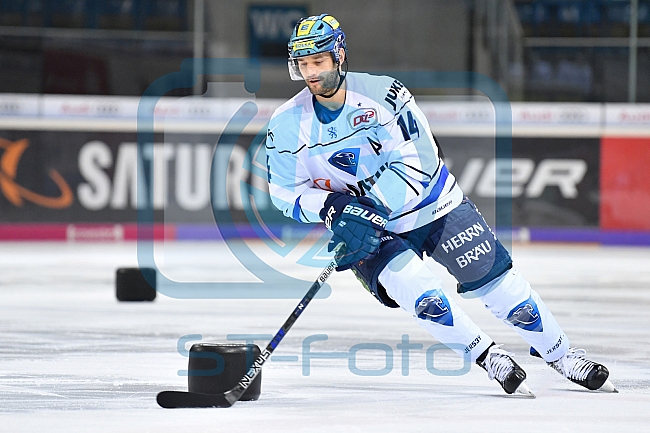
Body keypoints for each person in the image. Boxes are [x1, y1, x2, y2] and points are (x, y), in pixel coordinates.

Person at [265, 13, 616, 396]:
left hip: (434, 203)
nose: (311, 72)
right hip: (368, 229)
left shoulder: (383, 94)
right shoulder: (285, 123)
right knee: (421, 294)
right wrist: (332, 208)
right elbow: (283, 191)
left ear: (339, 56)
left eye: (318, 61)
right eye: (303, 64)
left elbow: (421, 158)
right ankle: (488, 356)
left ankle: (563, 355)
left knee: (499, 286)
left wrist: (368, 207)